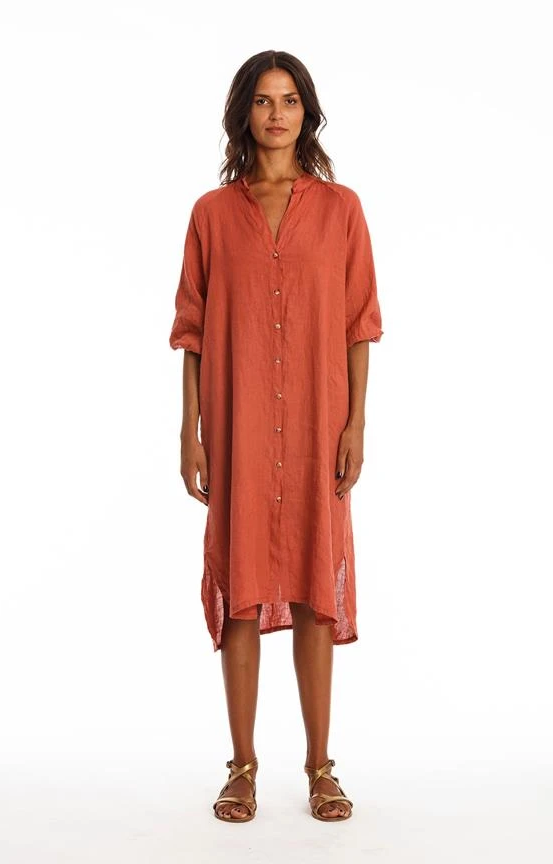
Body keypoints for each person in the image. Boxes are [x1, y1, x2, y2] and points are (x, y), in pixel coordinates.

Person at [169, 50, 384, 823]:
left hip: (321, 428)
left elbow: (360, 324)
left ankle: (321, 766)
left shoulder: (342, 210)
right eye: (263, 101)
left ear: (307, 112)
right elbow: (192, 332)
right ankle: (243, 766)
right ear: (244, 114)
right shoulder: (211, 214)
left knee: (314, 592)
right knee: (243, 590)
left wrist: (356, 422)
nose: (277, 114)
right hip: (239, 429)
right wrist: (190, 432)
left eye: (289, 100)